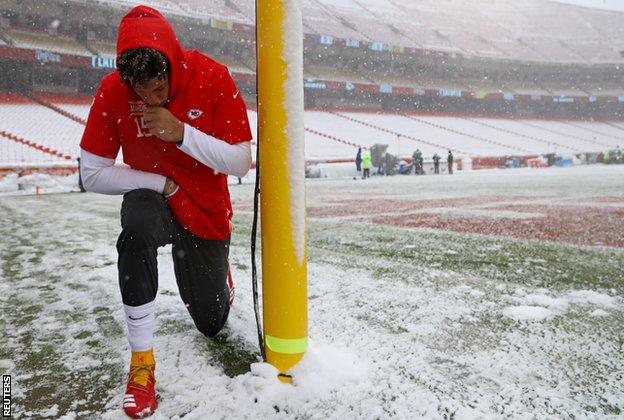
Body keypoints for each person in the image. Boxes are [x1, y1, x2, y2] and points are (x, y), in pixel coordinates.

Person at [79, 6, 252, 418]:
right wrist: (160, 183)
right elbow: (91, 173)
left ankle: (218, 275)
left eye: (157, 89)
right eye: (140, 91)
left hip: (206, 210)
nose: (149, 99)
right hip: (155, 199)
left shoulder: (211, 76)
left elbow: (241, 161)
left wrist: (181, 133)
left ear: (173, 66)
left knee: (211, 324)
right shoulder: (113, 90)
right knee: (135, 227)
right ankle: (141, 366)